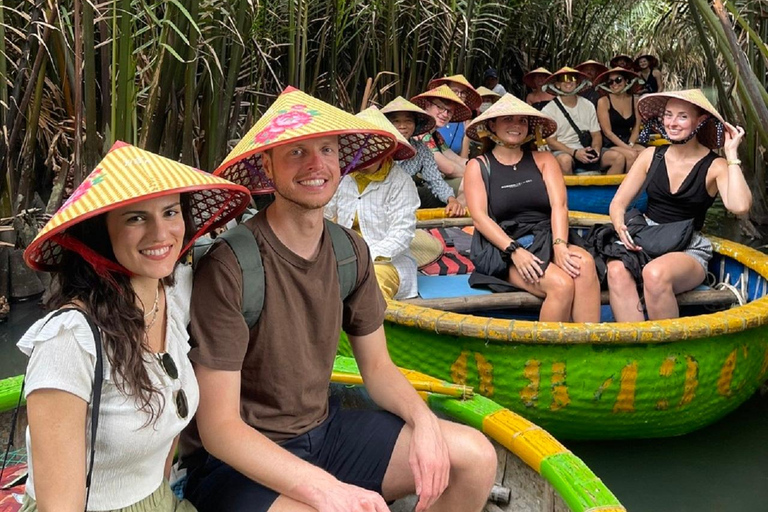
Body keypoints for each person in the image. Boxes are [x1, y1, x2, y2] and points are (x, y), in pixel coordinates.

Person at [181, 86, 497, 512]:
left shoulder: (351, 251)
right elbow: (219, 429)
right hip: (239, 461)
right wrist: (325, 489)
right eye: (296, 152)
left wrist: (424, 422)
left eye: (327, 150)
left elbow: (379, 368)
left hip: (323, 431)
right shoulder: (232, 265)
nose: (316, 165)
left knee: (474, 458)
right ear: (267, 166)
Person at [17, 142, 250, 511]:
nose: (161, 233)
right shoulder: (68, 341)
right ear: (101, 234)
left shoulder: (173, 299)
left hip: (161, 499)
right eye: (136, 218)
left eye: (170, 212)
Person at [607, 89, 751, 321]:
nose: (672, 123)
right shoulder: (650, 155)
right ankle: (638, 348)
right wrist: (620, 226)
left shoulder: (716, 166)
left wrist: (731, 153)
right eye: (668, 115)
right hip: (646, 237)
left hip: (687, 246)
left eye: (682, 116)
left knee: (654, 274)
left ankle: (669, 353)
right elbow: (618, 204)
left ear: (700, 121)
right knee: (615, 270)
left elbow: (740, 206)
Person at [463, 94, 601, 323]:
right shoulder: (478, 166)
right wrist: (515, 251)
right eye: (507, 119)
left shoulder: (544, 159)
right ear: (492, 125)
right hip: (504, 247)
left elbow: (560, 205)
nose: (516, 125)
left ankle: (588, 350)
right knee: (561, 285)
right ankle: (547, 357)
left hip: (547, 236)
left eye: (522, 121)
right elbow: (480, 218)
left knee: (584, 265)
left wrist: (560, 245)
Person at [325, 106, 420, 300]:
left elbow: (401, 234)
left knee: (371, 286)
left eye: (372, 145)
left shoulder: (400, 182)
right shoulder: (341, 177)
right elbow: (324, 216)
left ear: (386, 148)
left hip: (386, 262)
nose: (365, 151)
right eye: (358, 144)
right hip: (343, 257)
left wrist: (363, 258)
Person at [381, 96, 465, 216]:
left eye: (408, 121)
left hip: (404, 200)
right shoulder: (378, 146)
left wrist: (451, 199)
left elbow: (435, 180)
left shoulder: (421, 149)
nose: (402, 126)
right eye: (396, 121)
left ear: (416, 124)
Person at [541, 67, 626, 175]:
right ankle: (568, 192)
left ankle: (607, 192)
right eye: (564, 79)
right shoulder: (549, 109)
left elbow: (596, 135)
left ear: (577, 83)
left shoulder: (588, 105)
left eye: (572, 79)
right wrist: (575, 152)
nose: (568, 82)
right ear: (557, 84)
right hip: (564, 151)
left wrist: (596, 150)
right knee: (565, 161)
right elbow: (551, 142)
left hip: (586, 148)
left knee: (618, 158)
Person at [411, 85, 473, 196]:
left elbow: (456, 159)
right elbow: (448, 168)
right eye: (440, 107)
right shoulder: (420, 132)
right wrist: (477, 175)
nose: (445, 114)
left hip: (431, 184)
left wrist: (483, 167)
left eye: (449, 111)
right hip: (412, 189)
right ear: (428, 105)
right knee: (469, 185)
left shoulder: (436, 135)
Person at [595, 67, 644, 170]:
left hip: (628, 140)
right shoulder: (604, 101)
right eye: (610, 82)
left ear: (626, 81)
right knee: (631, 155)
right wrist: (627, 148)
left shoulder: (635, 100)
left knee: (647, 153)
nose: (614, 84)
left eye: (618, 80)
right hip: (610, 143)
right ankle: (627, 185)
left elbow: (636, 128)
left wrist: (630, 144)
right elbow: (608, 132)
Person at [428, 74, 482, 157]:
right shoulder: (423, 128)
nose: (459, 95)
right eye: (455, 91)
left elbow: (462, 158)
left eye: (463, 92)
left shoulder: (465, 124)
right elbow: (449, 167)